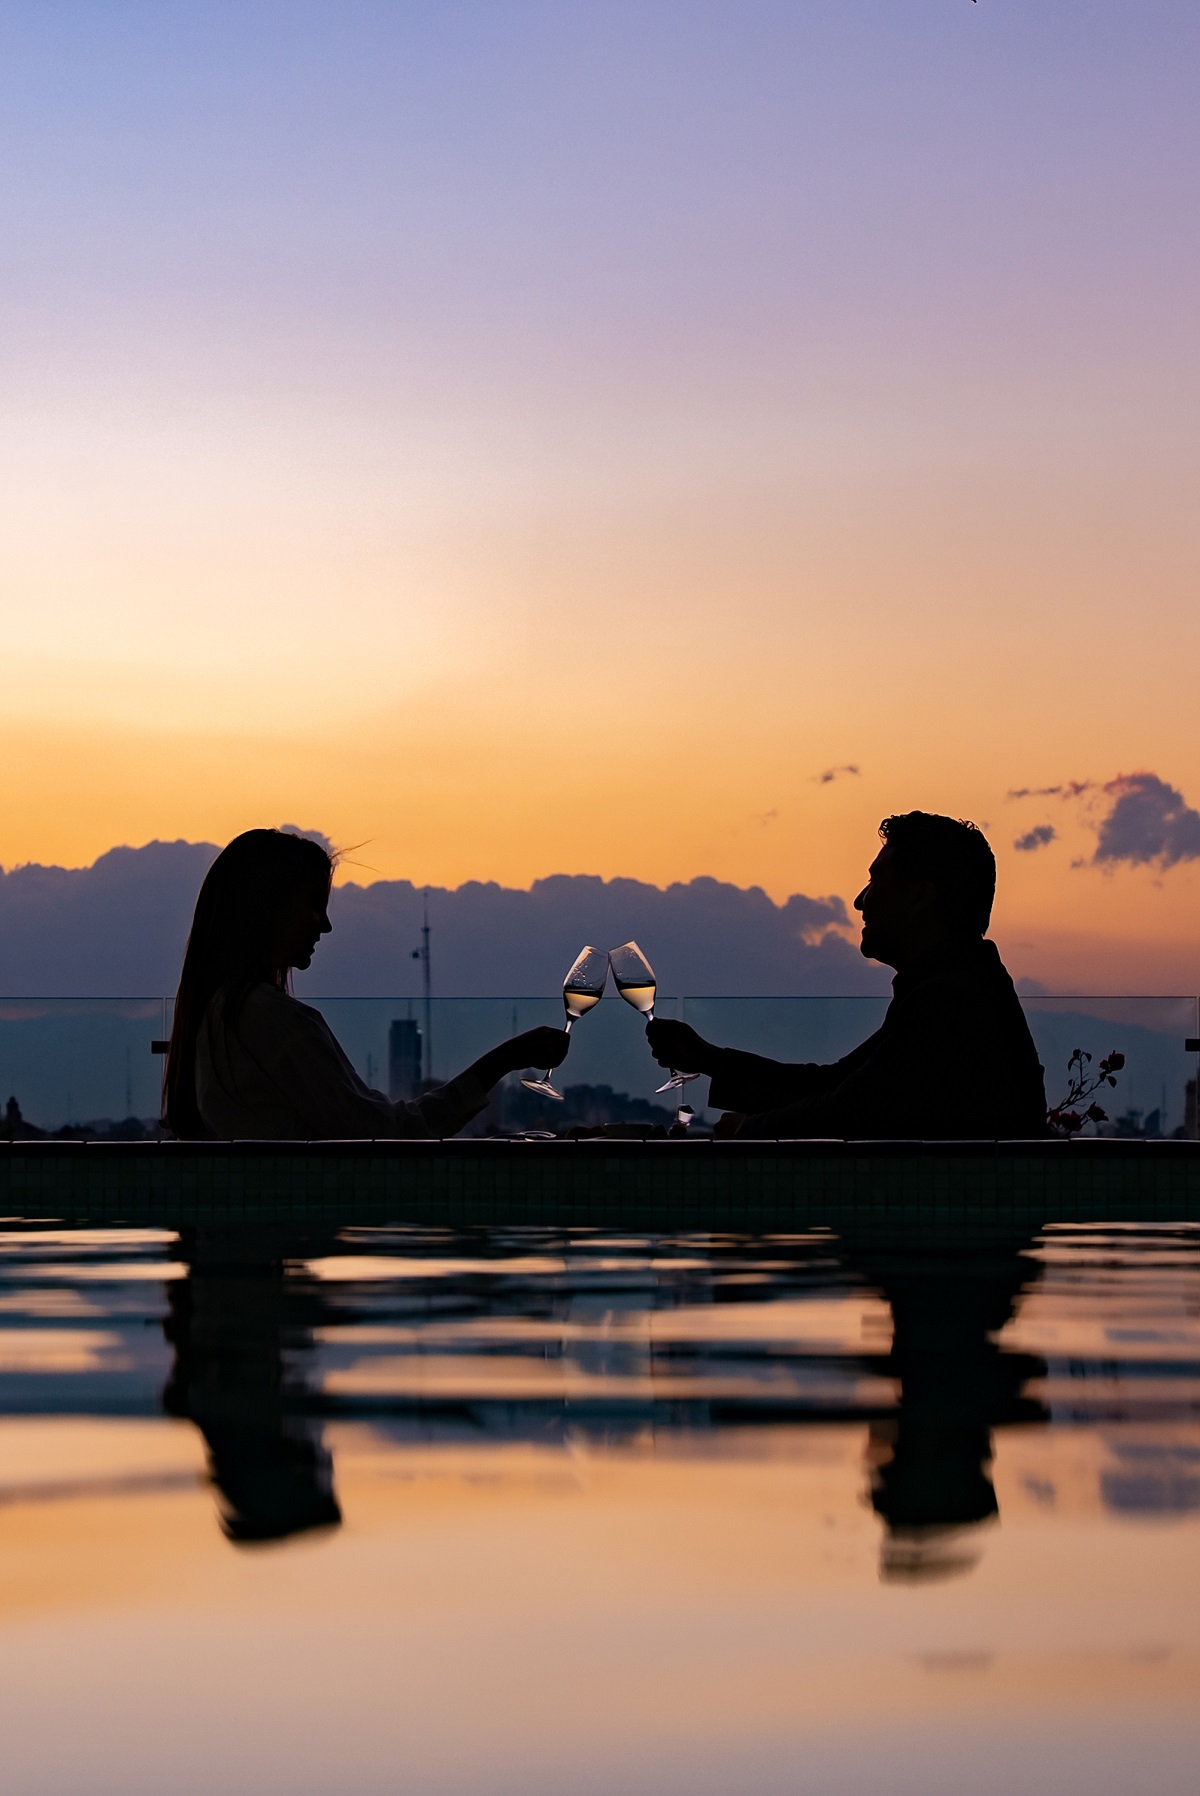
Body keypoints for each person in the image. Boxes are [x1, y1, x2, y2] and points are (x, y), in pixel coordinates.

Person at [646, 811, 1048, 1139]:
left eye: (875, 880)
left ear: (920, 896)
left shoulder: (951, 998)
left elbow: (854, 1109)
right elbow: (839, 1084)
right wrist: (708, 1058)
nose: (859, 901)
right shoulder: (955, 984)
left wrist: (751, 1130)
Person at [163, 829, 568, 1140]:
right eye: (314, 905)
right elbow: (387, 1137)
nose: (325, 925)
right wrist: (502, 1061)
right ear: (268, 908)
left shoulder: (216, 1015)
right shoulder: (275, 1021)